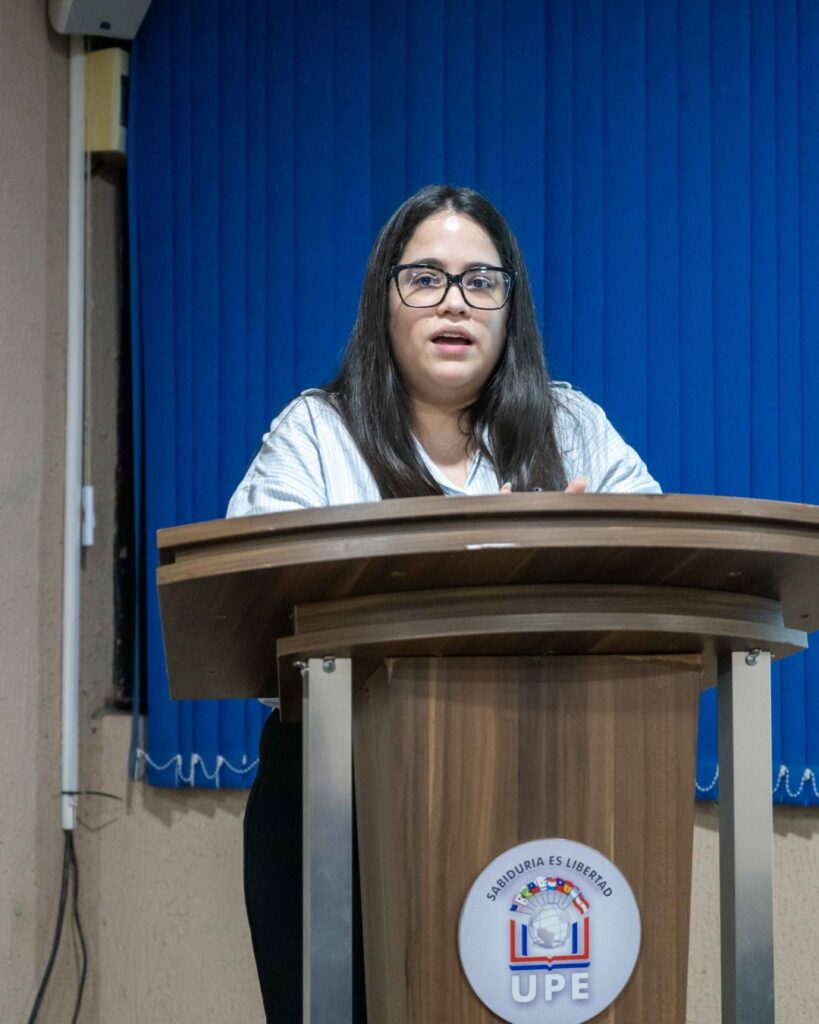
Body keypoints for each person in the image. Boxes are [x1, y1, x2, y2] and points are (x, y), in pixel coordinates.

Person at [228, 184, 659, 1021]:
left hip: (551, 777)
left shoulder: (571, 427)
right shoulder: (315, 433)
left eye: (480, 281)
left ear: (509, 307)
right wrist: (482, 557)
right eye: (424, 278)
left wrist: (583, 552)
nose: (454, 302)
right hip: (339, 795)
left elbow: (659, 564)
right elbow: (257, 609)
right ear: (383, 300)